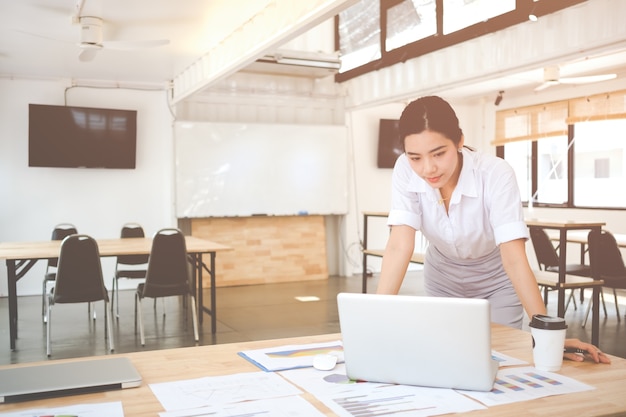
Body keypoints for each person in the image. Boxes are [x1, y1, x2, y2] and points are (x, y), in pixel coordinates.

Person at [376, 95, 610, 365]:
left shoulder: (495, 174)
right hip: (443, 277)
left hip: (496, 282)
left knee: (501, 361)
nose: (428, 168)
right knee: (446, 359)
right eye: (415, 157)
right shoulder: (405, 170)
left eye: (439, 153)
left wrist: (548, 336)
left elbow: (513, 257)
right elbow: (399, 245)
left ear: (460, 141)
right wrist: (378, 318)